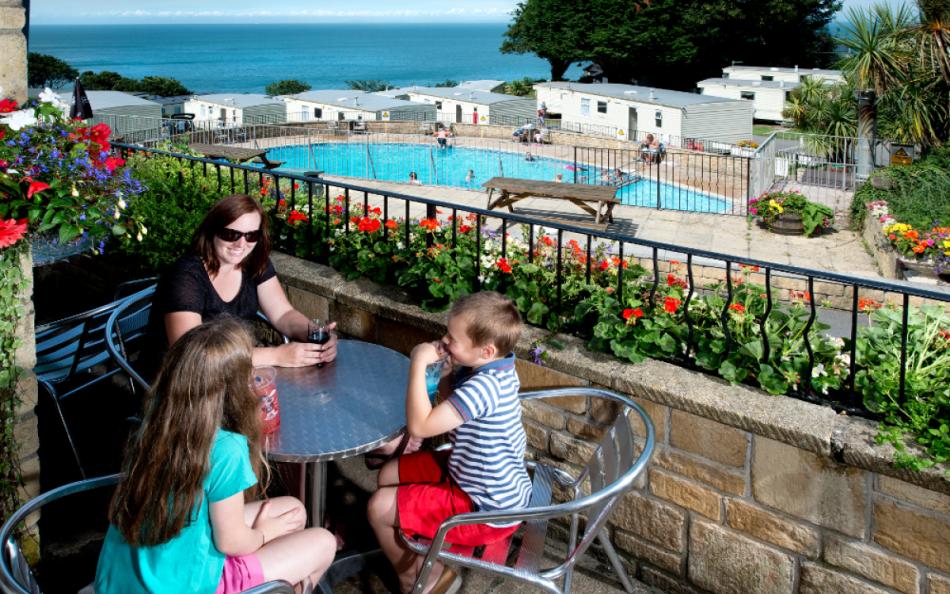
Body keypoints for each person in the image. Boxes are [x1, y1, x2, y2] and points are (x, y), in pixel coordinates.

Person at [95, 319, 336, 593]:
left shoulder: (156, 419)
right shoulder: (226, 448)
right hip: (186, 585)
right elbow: (231, 542)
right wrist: (264, 533)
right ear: (234, 388)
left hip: (123, 578)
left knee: (293, 510)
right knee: (324, 543)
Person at [367, 292, 532, 594]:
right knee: (387, 474)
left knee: (378, 508)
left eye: (453, 338)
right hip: (476, 475)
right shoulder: (494, 367)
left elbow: (421, 426)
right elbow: (452, 406)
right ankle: (413, 546)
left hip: (485, 509)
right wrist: (444, 376)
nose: (444, 340)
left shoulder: (484, 387)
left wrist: (418, 363)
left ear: (486, 350)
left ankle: (423, 578)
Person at [151, 194, 338, 371]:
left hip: (233, 369)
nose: (241, 245)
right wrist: (276, 355)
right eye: (231, 235)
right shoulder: (185, 276)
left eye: (251, 236)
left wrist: (314, 334)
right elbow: (191, 354)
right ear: (212, 231)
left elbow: (283, 314)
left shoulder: (254, 261)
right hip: (184, 381)